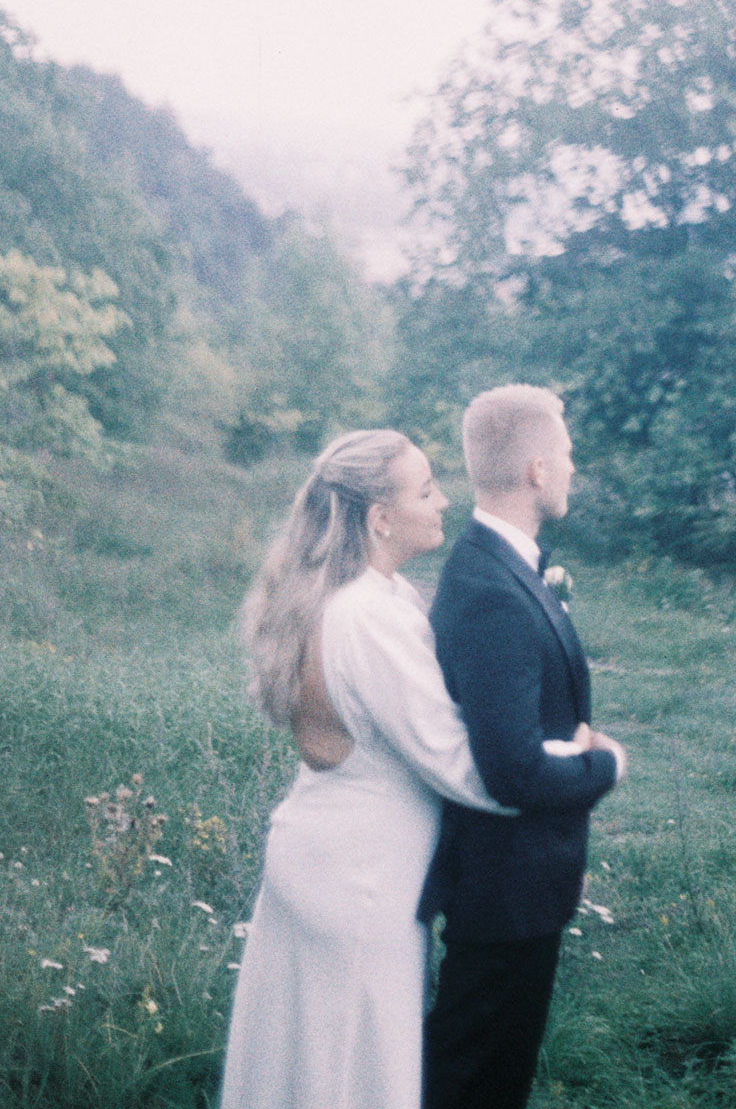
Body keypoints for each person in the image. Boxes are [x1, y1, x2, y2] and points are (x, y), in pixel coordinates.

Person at [219, 428, 515, 1109]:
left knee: (301, 1063)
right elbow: (456, 764)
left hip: (322, 855)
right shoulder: (366, 615)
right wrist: (560, 769)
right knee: (350, 1071)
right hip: (360, 880)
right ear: (380, 517)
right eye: (424, 489)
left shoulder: (362, 597)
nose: (443, 500)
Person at [420, 385, 627, 1109]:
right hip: (500, 893)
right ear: (537, 468)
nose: (574, 469)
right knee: (470, 1082)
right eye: (566, 455)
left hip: (520, 892)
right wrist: (604, 763)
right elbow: (511, 768)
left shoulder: (504, 568)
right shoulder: (489, 590)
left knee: (489, 1078)